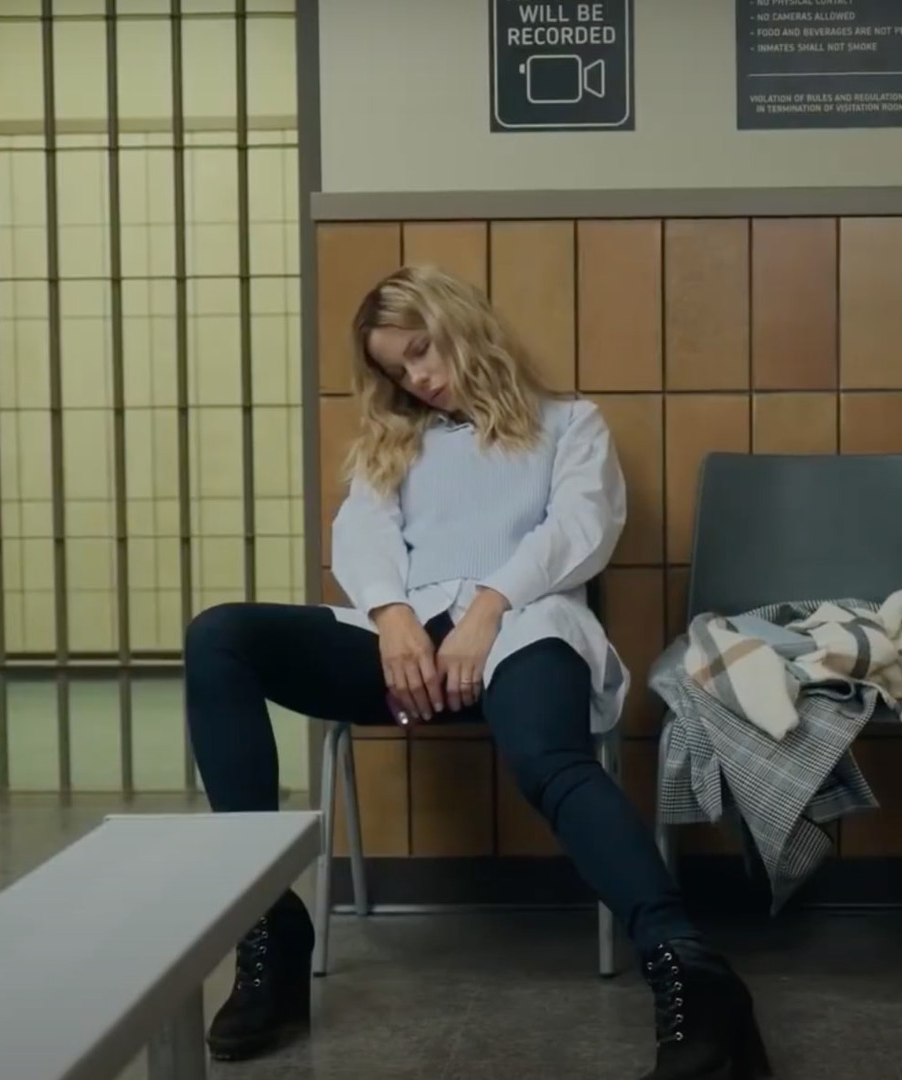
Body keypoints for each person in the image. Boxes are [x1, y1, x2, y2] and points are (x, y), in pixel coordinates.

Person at [183, 264, 771, 1079]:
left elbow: (581, 529)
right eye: (398, 369)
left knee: (551, 760)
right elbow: (363, 535)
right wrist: (392, 618)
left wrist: (489, 609)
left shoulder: (571, 424)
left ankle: (694, 976)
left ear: (462, 323)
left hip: (526, 627)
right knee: (221, 636)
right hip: (404, 641)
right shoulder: (395, 442)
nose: (418, 379)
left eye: (422, 350)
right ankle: (268, 927)